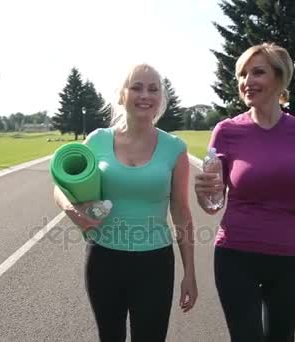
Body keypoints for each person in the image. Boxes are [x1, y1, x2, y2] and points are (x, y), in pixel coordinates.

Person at [194, 43, 295, 342]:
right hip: (236, 255)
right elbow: (213, 201)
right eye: (242, 74)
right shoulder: (226, 130)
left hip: (292, 258)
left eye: (257, 72)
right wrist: (205, 194)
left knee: (281, 337)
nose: (247, 81)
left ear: (280, 78)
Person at [53, 64, 197, 342]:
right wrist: (73, 211)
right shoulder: (97, 140)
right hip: (104, 258)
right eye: (137, 87)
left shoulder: (175, 148)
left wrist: (190, 273)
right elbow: (60, 185)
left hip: (155, 263)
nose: (145, 95)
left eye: (153, 89)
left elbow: (181, 211)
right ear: (122, 95)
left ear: (160, 99)